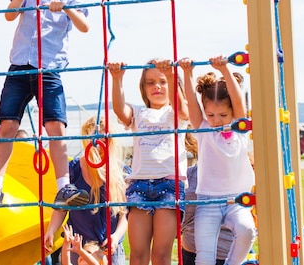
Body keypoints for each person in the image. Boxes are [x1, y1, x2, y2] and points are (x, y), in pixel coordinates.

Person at [0, 0, 91, 209]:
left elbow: (85, 26)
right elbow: (9, 14)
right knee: (7, 126)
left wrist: (66, 9)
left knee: (56, 127)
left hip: (49, 70)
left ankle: (63, 186)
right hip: (19, 68)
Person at [108, 59, 189, 265]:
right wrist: (117, 79)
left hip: (169, 185)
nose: (157, 87)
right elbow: (119, 110)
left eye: (162, 81)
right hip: (140, 186)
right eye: (150, 83)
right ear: (143, 88)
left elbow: (183, 110)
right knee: (137, 253)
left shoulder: (175, 113)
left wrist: (171, 75)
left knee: (161, 253)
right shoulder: (138, 113)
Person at [178, 55, 256, 265]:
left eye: (222, 115)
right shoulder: (204, 130)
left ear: (232, 112)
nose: (216, 120)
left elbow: (238, 100)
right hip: (208, 200)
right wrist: (187, 73)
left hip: (236, 200)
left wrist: (225, 69)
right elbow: (192, 103)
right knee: (204, 256)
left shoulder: (240, 129)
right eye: (210, 115)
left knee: (247, 230)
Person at [44, 117, 128, 265]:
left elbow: (125, 214)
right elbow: (61, 206)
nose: (100, 146)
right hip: (79, 248)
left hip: (109, 248)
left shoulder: (121, 172)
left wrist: (116, 236)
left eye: (104, 140)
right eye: (95, 141)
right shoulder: (73, 170)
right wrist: (51, 230)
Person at [181, 134, 234, 265]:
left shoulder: (190, 175)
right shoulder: (190, 175)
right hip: (197, 249)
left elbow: (184, 217)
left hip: (223, 249)